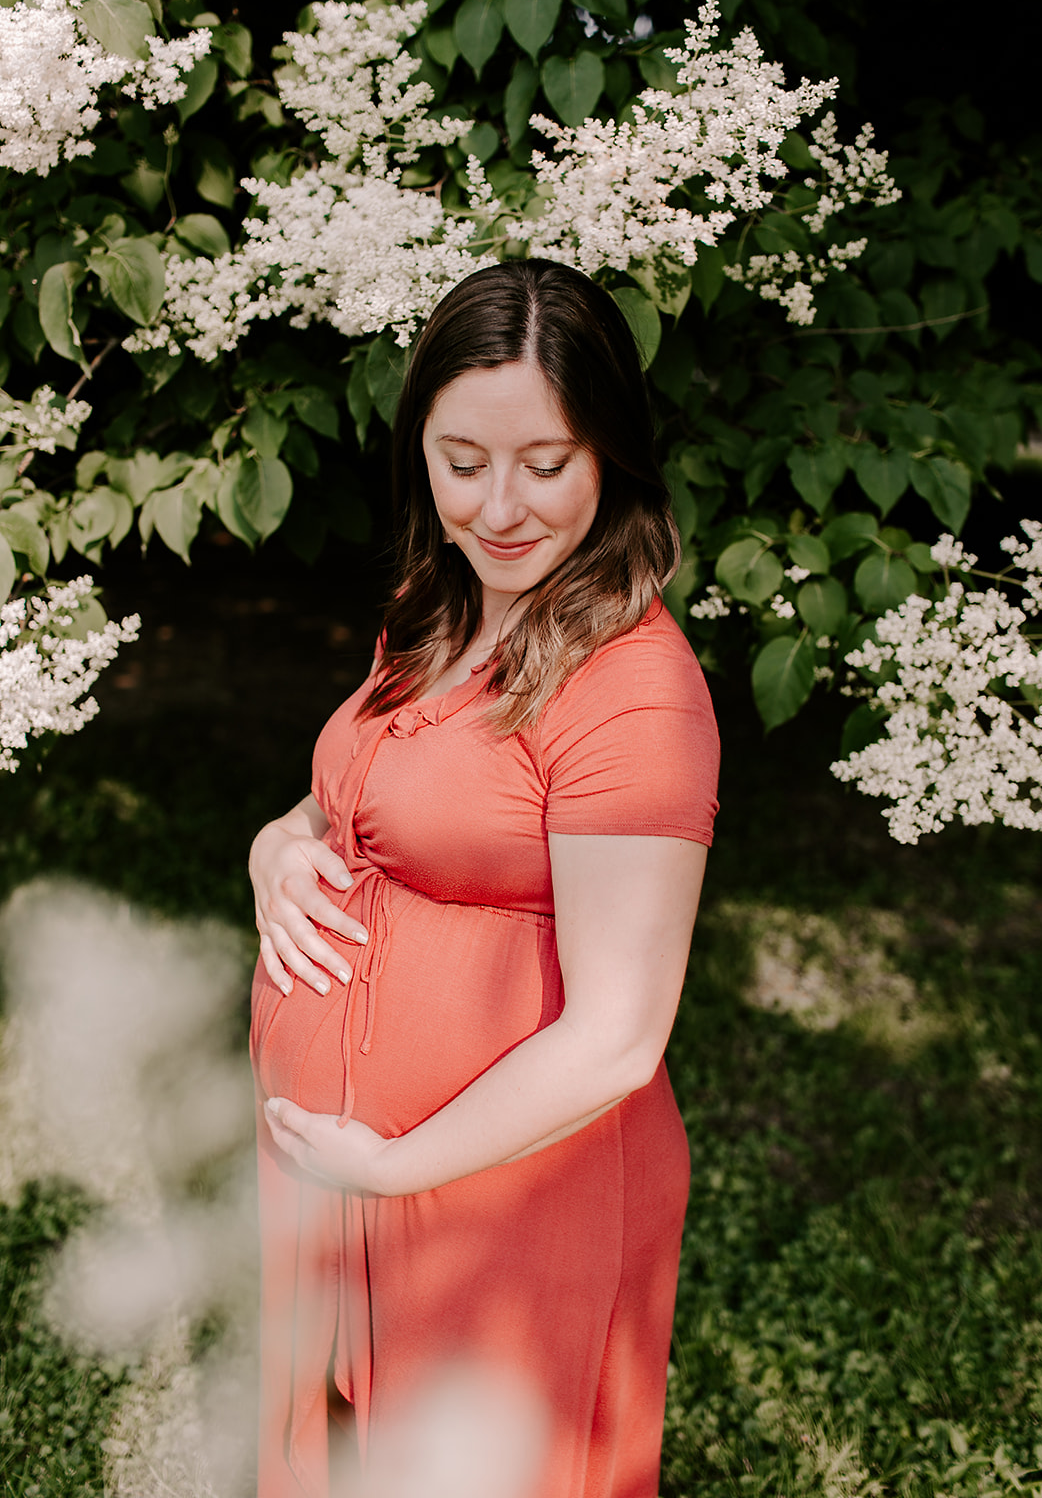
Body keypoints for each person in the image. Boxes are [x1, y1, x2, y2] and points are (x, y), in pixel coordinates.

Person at [248, 258, 720, 1498]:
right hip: (347, 1179)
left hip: (501, 1195)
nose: (500, 506)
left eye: (546, 462)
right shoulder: (436, 603)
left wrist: (392, 1165)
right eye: (462, 461)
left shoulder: (633, 693)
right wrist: (271, 852)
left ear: (610, 452)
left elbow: (618, 1036)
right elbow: (344, 802)